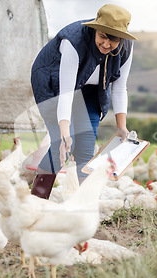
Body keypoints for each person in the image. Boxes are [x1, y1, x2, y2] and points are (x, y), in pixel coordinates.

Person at [29, 4, 137, 199]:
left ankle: (84, 203)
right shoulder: (73, 42)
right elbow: (66, 91)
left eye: (112, 40)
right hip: (53, 82)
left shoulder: (126, 47)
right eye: (102, 36)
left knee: (86, 145)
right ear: (95, 29)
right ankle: (36, 198)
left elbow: (120, 87)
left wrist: (122, 127)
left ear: (121, 38)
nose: (106, 44)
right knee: (61, 144)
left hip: (91, 89)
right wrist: (63, 132)